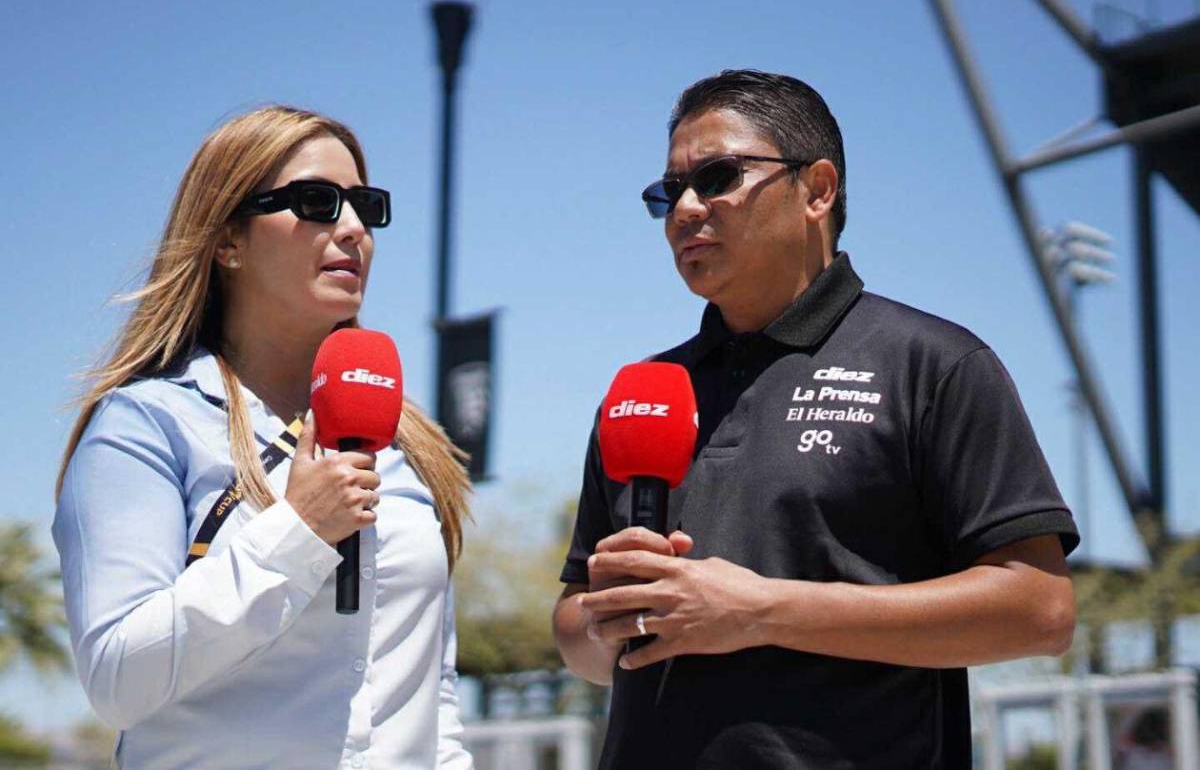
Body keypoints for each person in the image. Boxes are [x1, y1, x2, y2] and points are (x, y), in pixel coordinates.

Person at [553, 70, 1079, 769]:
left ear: (818, 189)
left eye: (716, 177)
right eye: (667, 191)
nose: (684, 209)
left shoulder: (934, 365)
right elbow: (574, 630)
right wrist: (611, 618)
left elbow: (1038, 611)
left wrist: (759, 610)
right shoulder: (641, 389)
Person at [53, 106, 473, 769]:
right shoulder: (148, 426)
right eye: (317, 202)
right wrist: (298, 532)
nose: (355, 229)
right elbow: (116, 681)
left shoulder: (409, 444)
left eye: (366, 206)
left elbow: (432, 692)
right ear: (228, 241)